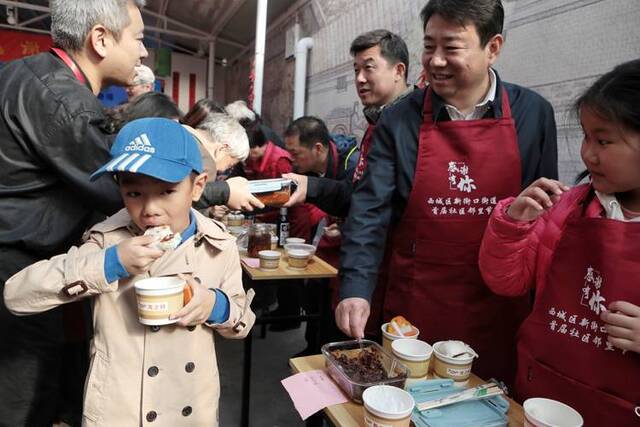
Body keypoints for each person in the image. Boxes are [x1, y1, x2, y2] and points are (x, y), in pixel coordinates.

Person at [336, 0, 558, 387]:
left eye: (451, 48)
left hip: (499, 309)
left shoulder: (533, 114)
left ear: (493, 47)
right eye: (429, 46)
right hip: (418, 304)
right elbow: (369, 212)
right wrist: (355, 288)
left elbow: (545, 221)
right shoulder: (398, 120)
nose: (435, 61)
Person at [3, 118, 256, 426]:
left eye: (166, 192)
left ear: (198, 186)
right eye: (134, 193)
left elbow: (242, 323)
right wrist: (109, 263)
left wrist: (212, 304)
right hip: (117, 409)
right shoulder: (107, 240)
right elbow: (16, 296)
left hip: (190, 409)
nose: (149, 208)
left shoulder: (218, 244)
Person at [0, 1, 148, 424]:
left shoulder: (24, 73)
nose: (142, 52)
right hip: (15, 266)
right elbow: (126, 190)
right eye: (137, 39)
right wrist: (214, 188)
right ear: (100, 39)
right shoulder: (66, 101)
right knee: (22, 400)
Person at [479, 59, 640, 425]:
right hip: (543, 398)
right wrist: (513, 223)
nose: (587, 153)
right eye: (585, 135)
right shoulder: (568, 207)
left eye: (604, 140)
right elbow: (505, 282)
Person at [284, 29, 412, 217]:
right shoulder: (377, 120)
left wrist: (312, 187)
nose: (359, 79)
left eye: (368, 68)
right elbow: (362, 195)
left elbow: (382, 205)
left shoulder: (412, 122)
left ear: (398, 71)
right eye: (356, 70)